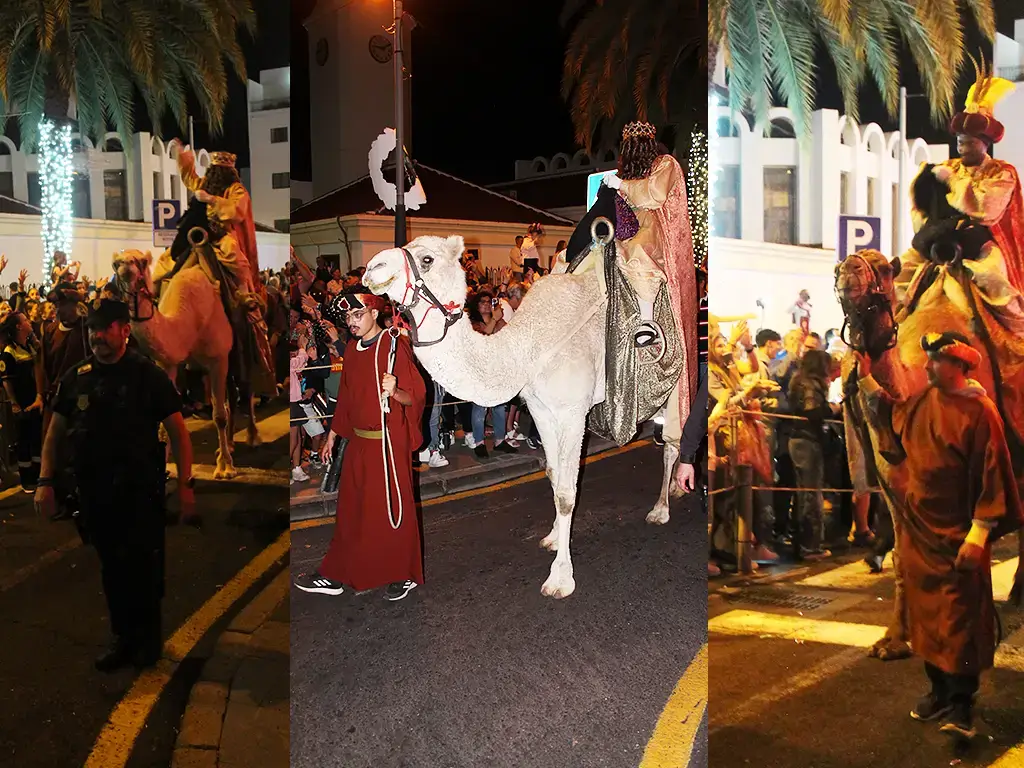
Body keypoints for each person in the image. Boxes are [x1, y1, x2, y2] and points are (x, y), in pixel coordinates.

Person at [856, 331, 1022, 738]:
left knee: (959, 619)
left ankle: (962, 702)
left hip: (958, 534)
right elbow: (892, 421)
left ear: (959, 366)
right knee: (925, 615)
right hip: (919, 530)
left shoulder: (981, 412)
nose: (926, 366)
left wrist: (979, 534)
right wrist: (865, 380)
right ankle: (938, 689)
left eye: (935, 360)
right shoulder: (923, 402)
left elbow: (993, 476)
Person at [34, 298, 197, 672]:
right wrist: (45, 481)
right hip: (96, 492)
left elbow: (178, 431)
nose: (97, 335)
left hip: (140, 491)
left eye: (105, 328)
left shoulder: (146, 374)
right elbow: (55, 434)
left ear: (125, 330)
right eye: (92, 328)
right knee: (112, 569)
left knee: (144, 567)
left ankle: (148, 642)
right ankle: (123, 638)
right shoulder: (78, 377)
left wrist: (186, 484)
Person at [294, 289, 426, 601]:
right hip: (359, 444)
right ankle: (337, 574)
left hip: (387, 445)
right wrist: (333, 435)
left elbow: (416, 396)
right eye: (349, 317)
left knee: (395, 509)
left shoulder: (394, 346)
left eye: (358, 314)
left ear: (376, 314)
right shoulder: (353, 348)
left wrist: (395, 391)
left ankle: (403, 573)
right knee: (353, 512)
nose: (352, 322)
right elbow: (348, 399)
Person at [939, 66, 1024, 293]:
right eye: (959, 140)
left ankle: (1013, 326)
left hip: (985, 246)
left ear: (984, 143)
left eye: (968, 142)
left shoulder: (1002, 173)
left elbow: (986, 209)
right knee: (904, 277)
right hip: (941, 240)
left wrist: (952, 183)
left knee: (994, 280)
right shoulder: (946, 167)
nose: (961, 146)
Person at [0, 311, 44, 492]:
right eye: (25, 320)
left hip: (35, 400)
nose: (29, 322)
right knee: (24, 440)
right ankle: (27, 480)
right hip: (22, 403)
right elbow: (6, 380)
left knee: (36, 439)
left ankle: (37, 475)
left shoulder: (28, 347)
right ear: (18, 326)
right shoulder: (9, 352)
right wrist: (15, 404)